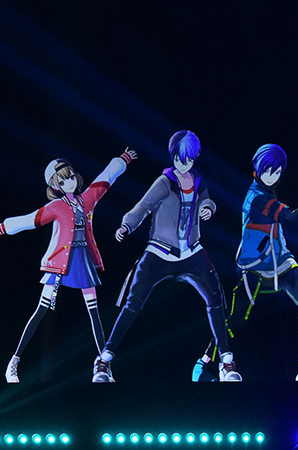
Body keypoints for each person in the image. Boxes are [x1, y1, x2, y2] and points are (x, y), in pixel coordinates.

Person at [95, 130, 239, 382]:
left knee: (216, 300)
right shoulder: (164, 182)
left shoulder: (198, 180)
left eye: (189, 159)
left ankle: (226, 361)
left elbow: (207, 200)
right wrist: (127, 225)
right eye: (180, 158)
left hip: (191, 251)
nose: (184, 164)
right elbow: (144, 205)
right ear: (173, 156)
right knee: (133, 304)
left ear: (194, 158)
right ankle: (104, 360)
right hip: (160, 252)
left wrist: (207, 208)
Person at [0, 148, 137, 383]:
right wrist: (3, 227)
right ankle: (14, 362)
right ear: (55, 186)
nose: (69, 182)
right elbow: (31, 220)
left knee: (94, 314)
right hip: (60, 263)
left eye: (71, 176)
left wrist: (123, 160)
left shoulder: (86, 199)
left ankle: (103, 365)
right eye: (63, 180)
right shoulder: (56, 207)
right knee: (41, 310)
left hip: (83, 261)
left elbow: (105, 179)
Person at [192, 143, 298, 381]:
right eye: (269, 170)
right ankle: (205, 364)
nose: (273, 176)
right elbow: (289, 217)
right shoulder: (257, 197)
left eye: (278, 172)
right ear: (258, 169)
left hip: (281, 261)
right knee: (237, 319)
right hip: (255, 266)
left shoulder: (267, 193)